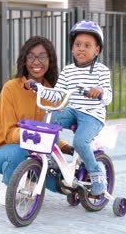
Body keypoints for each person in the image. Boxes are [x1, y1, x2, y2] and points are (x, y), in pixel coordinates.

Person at [25, 20, 112, 196]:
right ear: (72, 49)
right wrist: (39, 88)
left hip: (92, 115)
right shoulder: (68, 70)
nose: (81, 48)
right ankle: (51, 159)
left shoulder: (102, 71)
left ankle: (96, 172)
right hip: (72, 110)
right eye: (78, 45)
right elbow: (57, 95)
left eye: (87, 45)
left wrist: (100, 91)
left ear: (96, 51)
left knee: (80, 142)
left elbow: (108, 96)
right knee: (49, 122)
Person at [0, 36, 73, 206]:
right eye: (31, 56)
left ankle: (30, 178)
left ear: (50, 60)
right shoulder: (11, 88)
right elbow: (9, 133)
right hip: (7, 151)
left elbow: (49, 130)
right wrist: (31, 135)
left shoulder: (52, 93)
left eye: (42, 56)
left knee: (62, 184)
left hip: (39, 153)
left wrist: (66, 147)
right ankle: (8, 187)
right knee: (21, 153)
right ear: (24, 60)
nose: (37, 62)